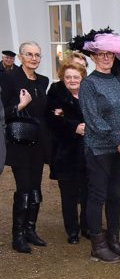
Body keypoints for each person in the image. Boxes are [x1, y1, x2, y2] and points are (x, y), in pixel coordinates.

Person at [74, 30, 120, 263]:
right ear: (92, 56)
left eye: (109, 54)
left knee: (114, 195)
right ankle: (97, 245)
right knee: (98, 195)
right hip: (100, 148)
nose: (105, 58)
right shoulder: (89, 84)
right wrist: (117, 141)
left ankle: (114, 239)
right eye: (100, 54)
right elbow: (93, 119)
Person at [1, 41, 51, 253]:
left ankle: (31, 229)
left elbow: (43, 111)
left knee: (35, 187)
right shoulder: (10, 79)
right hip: (20, 142)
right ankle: (18, 235)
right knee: (24, 187)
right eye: (29, 54)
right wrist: (19, 106)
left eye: (37, 55)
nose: (34, 58)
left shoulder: (43, 81)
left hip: (39, 143)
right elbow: (3, 111)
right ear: (21, 57)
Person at [46, 62, 89, 244]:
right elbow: (51, 120)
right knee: (69, 195)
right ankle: (72, 230)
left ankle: (87, 226)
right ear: (63, 79)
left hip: (89, 153)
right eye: (68, 77)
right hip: (66, 153)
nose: (72, 80)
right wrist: (74, 127)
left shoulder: (89, 95)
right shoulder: (56, 96)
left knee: (88, 192)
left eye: (76, 77)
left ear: (82, 78)